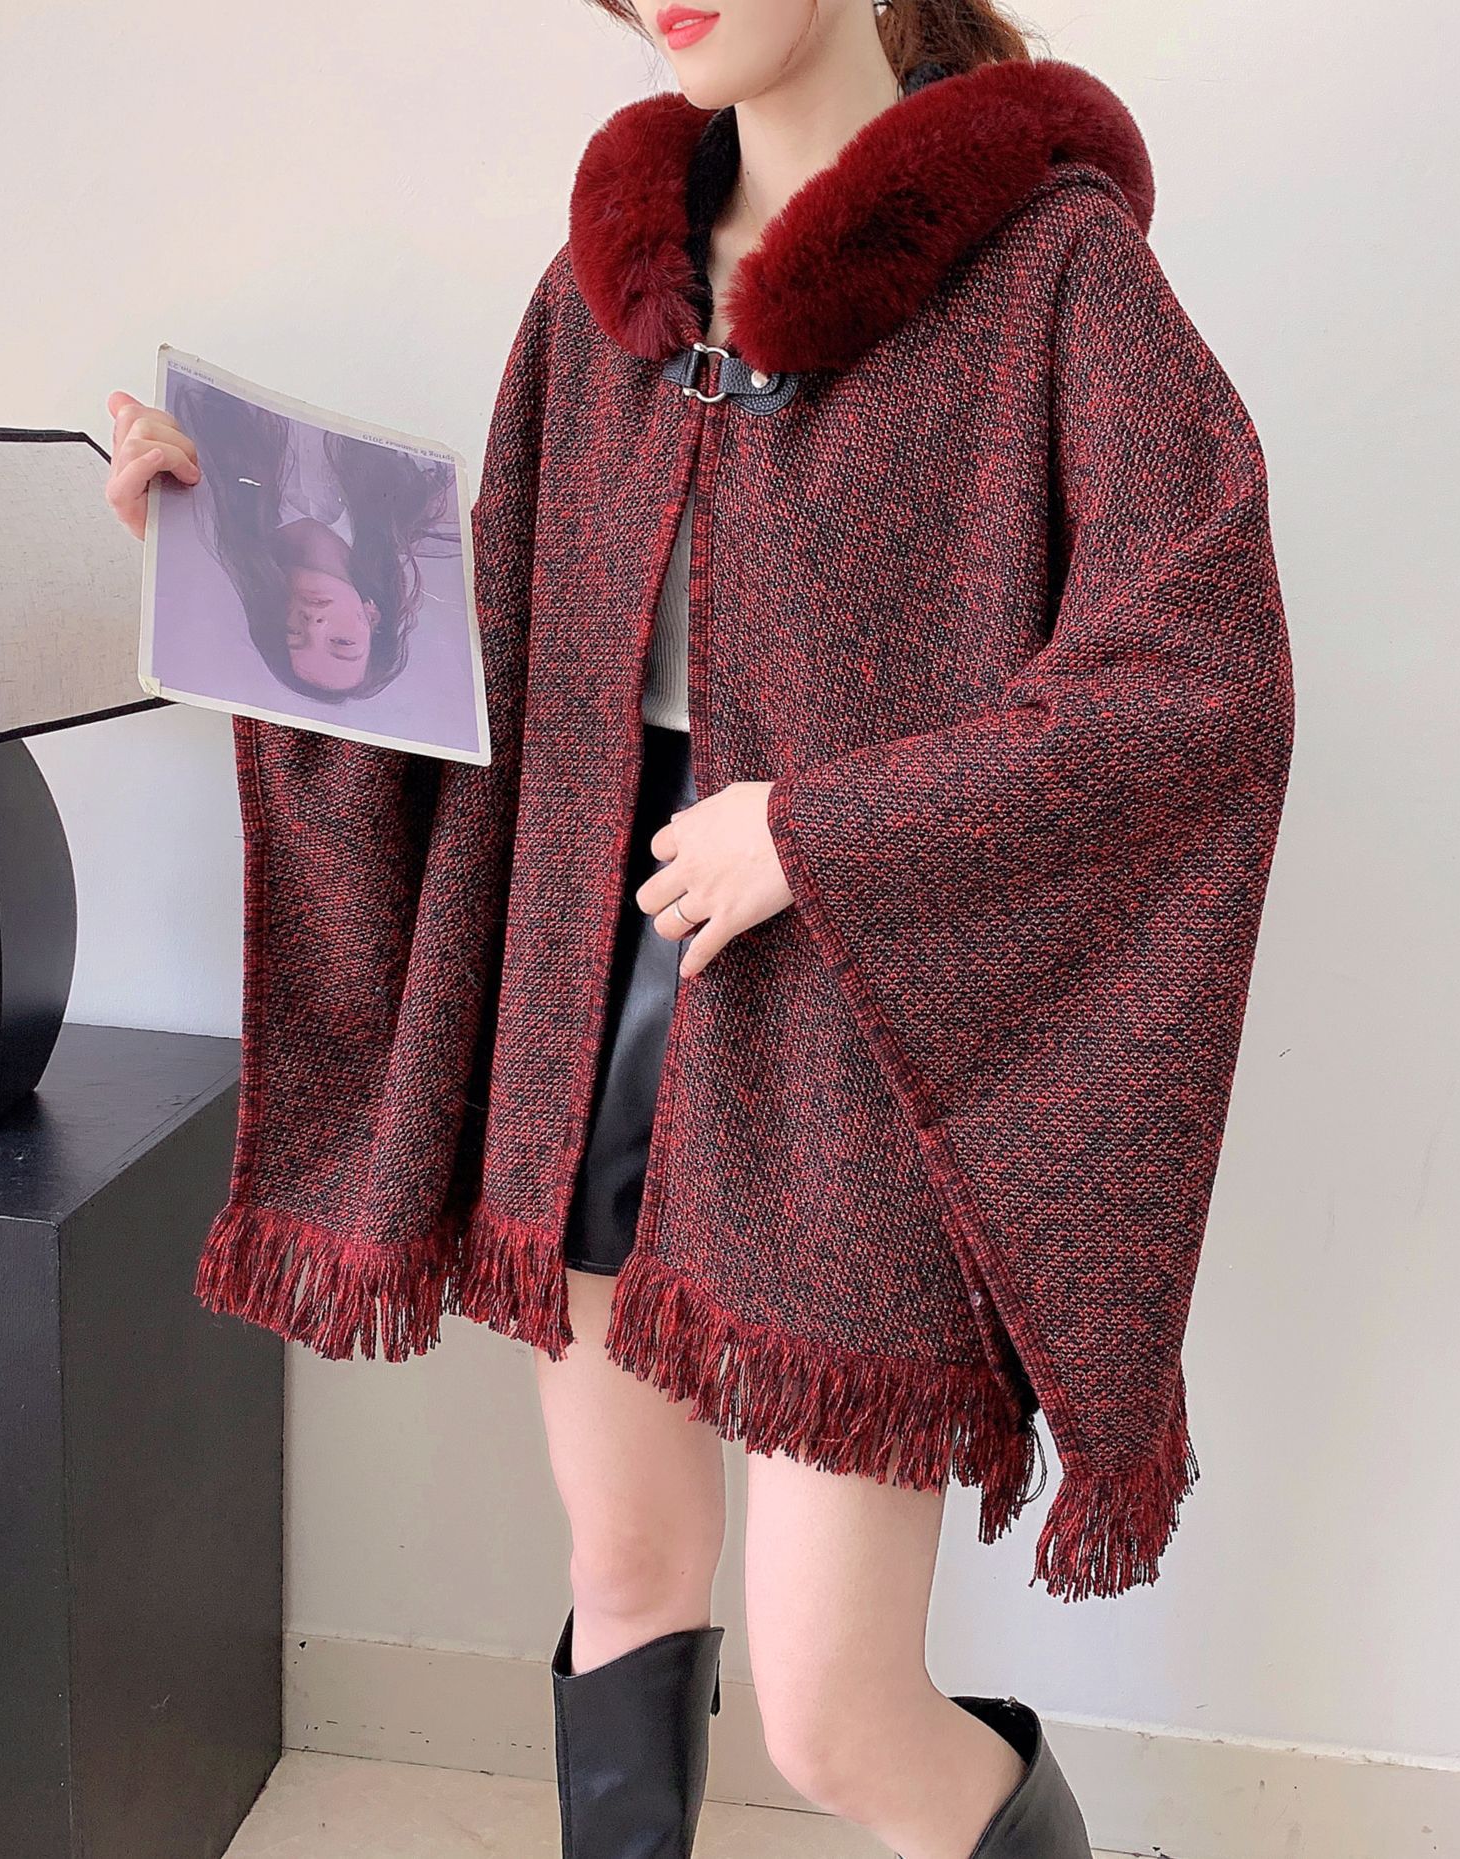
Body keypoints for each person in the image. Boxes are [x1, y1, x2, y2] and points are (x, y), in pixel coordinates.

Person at [104, 3, 1295, 1856]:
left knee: (831, 1714)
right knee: (626, 1571)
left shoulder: (1049, 270)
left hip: (848, 1035)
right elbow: (481, 667)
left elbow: (1199, 683)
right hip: (585, 998)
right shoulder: (603, 296)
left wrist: (824, 832)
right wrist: (236, 550)